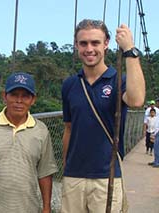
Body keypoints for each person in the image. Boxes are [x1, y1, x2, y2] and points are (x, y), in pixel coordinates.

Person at [61, 19, 145, 213]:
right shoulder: (70, 85)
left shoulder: (119, 81)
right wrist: (66, 168)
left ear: (106, 43)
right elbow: (68, 128)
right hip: (73, 176)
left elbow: (136, 99)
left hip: (107, 175)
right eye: (83, 43)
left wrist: (130, 50)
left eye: (95, 43)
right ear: (76, 45)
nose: (89, 49)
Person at [0, 72, 58, 213]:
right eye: (14, 94)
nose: (19, 101)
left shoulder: (41, 130)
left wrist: (46, 208)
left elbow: (45, 173)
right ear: (4, 96)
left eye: (25, 96)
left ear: (33, 100)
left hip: (28, 208)